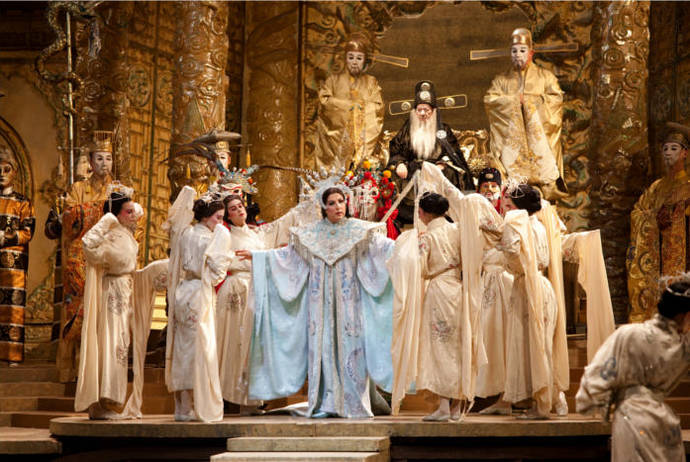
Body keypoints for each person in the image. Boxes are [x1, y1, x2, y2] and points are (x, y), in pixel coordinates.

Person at [237, 184, 394, 418]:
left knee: (351, 346)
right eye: (331, 203)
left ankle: (352, 402)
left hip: (350, 302)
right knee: (323, 346)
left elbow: (384, 249)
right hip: (319, 303)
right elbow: (289, 257)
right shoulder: (309, 235)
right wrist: (259, 257)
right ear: (324, 207)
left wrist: (407, 246)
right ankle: (325, 401)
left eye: (340, 201)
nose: (337, 207)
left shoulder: (360, 231)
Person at [215, 193, 318, 410]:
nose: (239, 210)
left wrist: (305, 206)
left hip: (256, 287)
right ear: (227, 215)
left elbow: (281, 225)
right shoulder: (225, 235)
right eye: (233, 209)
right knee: (235, 341)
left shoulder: (257, 233)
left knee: (254, 344)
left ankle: (252, 399)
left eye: (240, 206)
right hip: (237, 289)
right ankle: (229, 395)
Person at [576, 275, 690, 462]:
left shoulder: (630, 334)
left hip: (632, 418)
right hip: (662, 420)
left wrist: (593, 401)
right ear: (684, 315)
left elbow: (599, 374)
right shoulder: (682, 348)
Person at [74, 189, 166, 419]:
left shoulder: (126, 236)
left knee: (120, 346)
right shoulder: (112, 235)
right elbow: (88, 246)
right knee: (112, 344)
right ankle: (103, 402)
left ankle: (109, 402)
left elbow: (129, 269)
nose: (134, 216)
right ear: (116, 214)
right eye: (128, 212)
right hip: (113, 294)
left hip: (124, 291)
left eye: (134, 212)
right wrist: (107, 219)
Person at [49, 130, 115, 382]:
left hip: (107, 258)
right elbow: (69, 218)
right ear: (91, 161)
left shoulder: (119, 189)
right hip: (80, 259)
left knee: (103, 314)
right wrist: (100, 211)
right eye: (99, 158)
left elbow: (128, 221)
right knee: (77, 312)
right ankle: (71, 369)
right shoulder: (78, 188)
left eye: (108, 158)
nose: (104, 164)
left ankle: (99, 372)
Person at [165, 186, 233, 422]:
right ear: (206, 216)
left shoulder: (185, 233)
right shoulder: (210, 238)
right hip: (200, 293)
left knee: (184, 349)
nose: (220, 223)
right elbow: (216, 272)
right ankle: (195, 404)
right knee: (201, 349)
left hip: (183, 291)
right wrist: (224, 240)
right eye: (218, 218)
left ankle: (182, 406)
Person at [499, 183, 561, 419]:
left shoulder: (517, 224)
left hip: (528, 286)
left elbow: (512, 254)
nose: (507, 210)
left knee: (535, 345)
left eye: (510, 205)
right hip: (541, 284)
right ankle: (544, 400)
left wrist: (505, 260)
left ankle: (542, 405)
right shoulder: (539, 225)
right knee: (539, 344)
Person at [484, 28, 566, 200]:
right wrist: (513, 102)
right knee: (514, 186)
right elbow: (490, 100)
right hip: (512, 140)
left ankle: (546, 192)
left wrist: (530, 103)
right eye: (514, 51)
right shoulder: (501, 80)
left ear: (531, 53)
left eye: (522, 50)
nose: (517, 55)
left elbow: (556, 99)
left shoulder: (546, 76)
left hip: (538, 137)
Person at [628, 122, 690, 322]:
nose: (668, 153)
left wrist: (677, 215)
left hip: (682, 256)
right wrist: (653, 219)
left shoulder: (688, 187)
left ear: (685, 154)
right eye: (665, 149)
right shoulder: (656, 188)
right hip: (656, 256)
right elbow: (638, 212)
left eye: (674, 148)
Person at [389, 80, 473, 226]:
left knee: (450, 173)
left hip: (438, 170)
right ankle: (406, 216)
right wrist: (399, 164)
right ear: (414, 111)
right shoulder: (407, 130)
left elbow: (454, 153)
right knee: (392, 175)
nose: (422, 114)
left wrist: (443, 164)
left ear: (433, 111)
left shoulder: (443, 130)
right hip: (412, 170)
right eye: (419, 110)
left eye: (426, 110)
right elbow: (396, 150)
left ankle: (442, 213)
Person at [414, 193, 465, 421]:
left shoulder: (428, 236)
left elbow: (421, 269)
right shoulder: (458, 230)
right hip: (458, 288)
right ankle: (457, 407)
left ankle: (444, 405)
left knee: (439, 346)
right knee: (458, 345)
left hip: (438, 290)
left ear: (424, 213)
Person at [308, 33, 384, 171]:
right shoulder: (333, 80)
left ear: (365, 60)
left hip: (362, 137)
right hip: (336, 139)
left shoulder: (371, 82)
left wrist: (360, 108)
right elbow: (324, 101)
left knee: (362, 169)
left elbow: (377, 107)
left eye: (359, 58)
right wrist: (347, 106)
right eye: (351, 57)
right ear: (345, 58)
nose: (354, 62)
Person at [474, 168, 514, 404]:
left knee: (503, 332)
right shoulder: (474, 210)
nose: (489, 190)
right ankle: (484, 388)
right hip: (482, 278)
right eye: (485, 186)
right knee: (485, 331)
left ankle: (507, 389)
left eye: (493, 186)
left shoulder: (507, 212)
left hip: (505, 277)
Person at [0, 146, 35, 365]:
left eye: (6, 169)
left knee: (13, 310)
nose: (2, 174)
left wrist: (6, 237)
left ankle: (12, 355)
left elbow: (28, 232)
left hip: (14, 266)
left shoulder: (23, 203)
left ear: (14, 172)